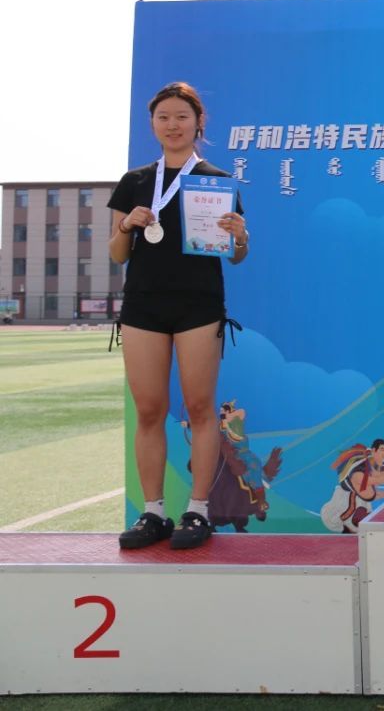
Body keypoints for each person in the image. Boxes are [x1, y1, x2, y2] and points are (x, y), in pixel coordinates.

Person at [111, 82, 249, 549]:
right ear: (153, 123)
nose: (172, 125)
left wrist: (241, 236)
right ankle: (153, 513)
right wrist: (126, 224)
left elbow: (235, 255)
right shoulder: (134, 182)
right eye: (163, 117)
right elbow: (117, 254)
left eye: (182, 117)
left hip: (198, 307)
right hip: (143, 307)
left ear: (198, 123)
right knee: (150, 410)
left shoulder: (215, 179)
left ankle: (198, 511)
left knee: (199, 408)